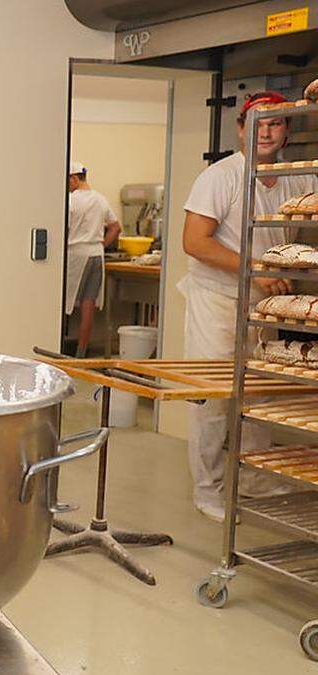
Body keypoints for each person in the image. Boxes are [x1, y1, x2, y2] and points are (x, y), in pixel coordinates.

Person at [180, 91, 315, 522]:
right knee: (214, 398)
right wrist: (256, 268)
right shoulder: (221, 177)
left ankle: (253, 477)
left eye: (277, 123)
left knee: (257, 393)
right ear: (241, 128)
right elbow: (194, 241)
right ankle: (208, 489)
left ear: (288, 132)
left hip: (267, 304)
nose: (267, 130)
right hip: (217, 301)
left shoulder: (300, 180)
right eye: (258, 122)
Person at [66, 161, 122, 357]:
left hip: (75, 256)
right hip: (97, 256)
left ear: (74, 178)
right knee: (88, 307)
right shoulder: (100, 199)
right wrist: (102, 245)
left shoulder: (71, 201)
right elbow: (116, 227)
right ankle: (81, 354)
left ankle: (59, 349)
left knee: (65, 304)